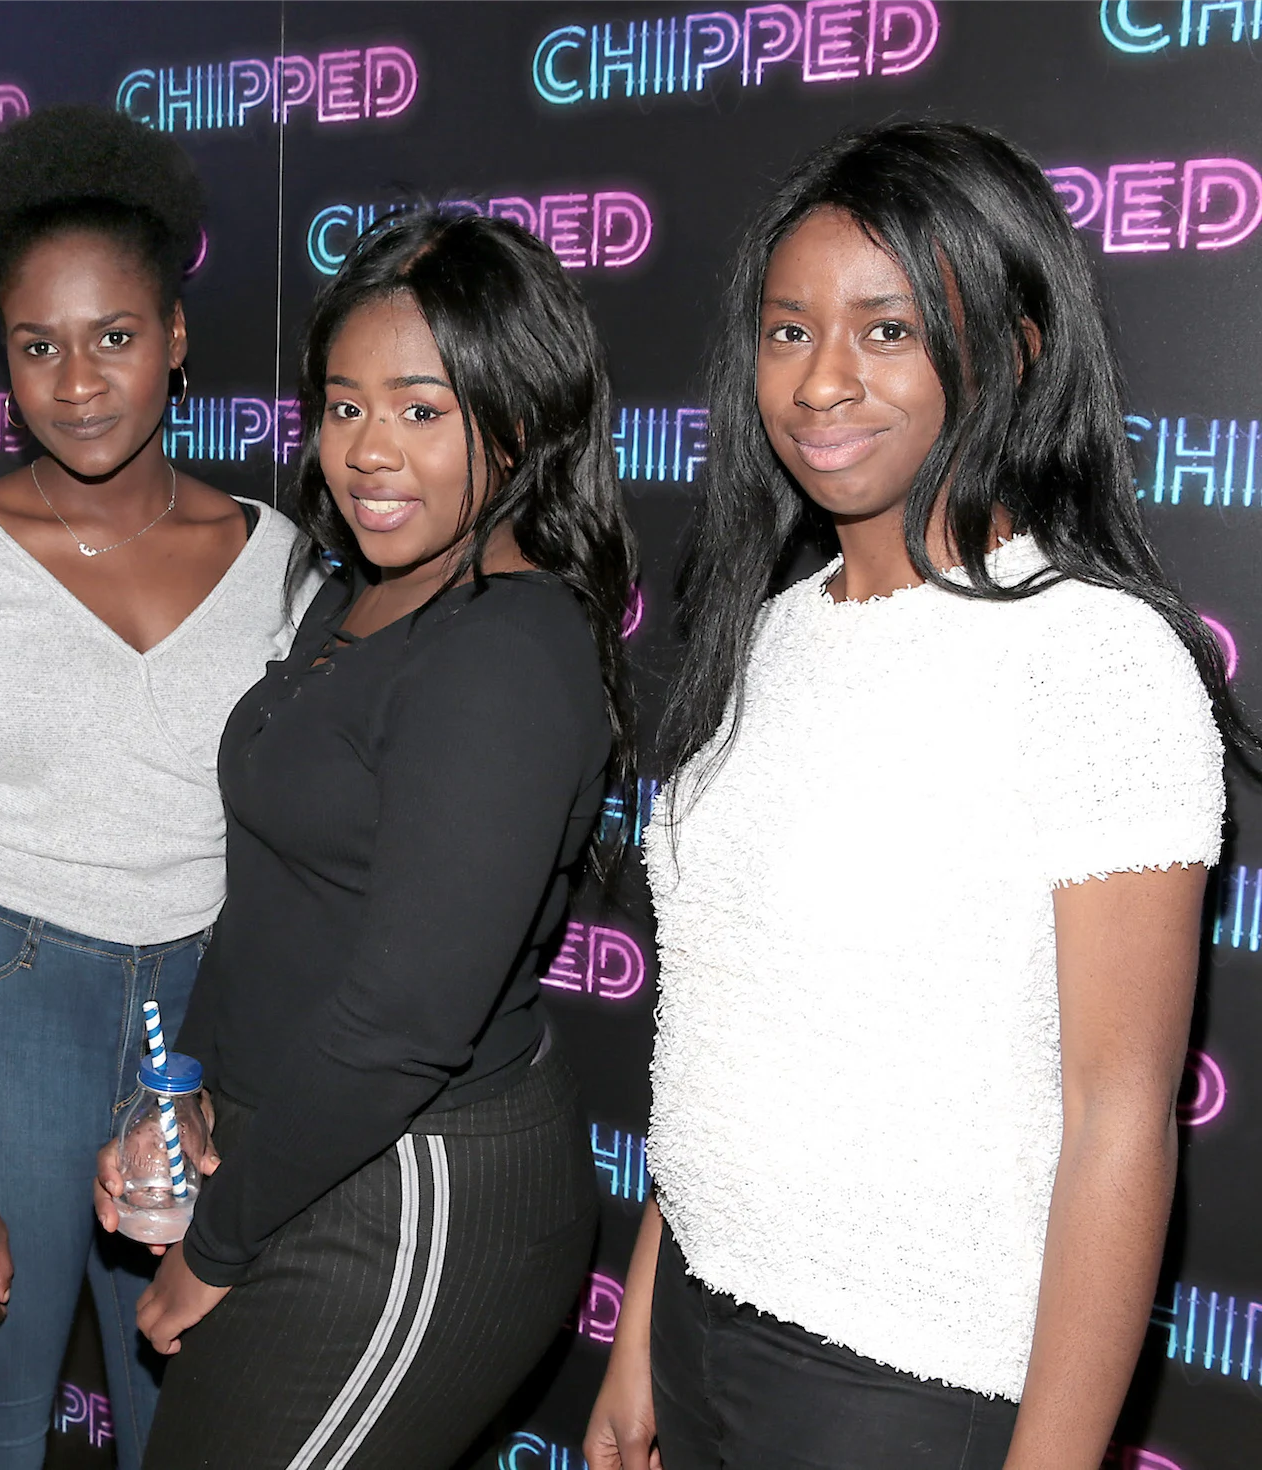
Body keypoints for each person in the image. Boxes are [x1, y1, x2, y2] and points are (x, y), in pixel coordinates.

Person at [584, 122, 1238, 1470]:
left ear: (1014, 348)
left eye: (887, 331)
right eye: (788, 331)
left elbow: (1120, 1116)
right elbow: (725, 1026)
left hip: (909, 1379)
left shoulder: (1092, 658)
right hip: (702, 1318)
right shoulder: (774, 631)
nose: (821, 380)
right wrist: (645, 1322)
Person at [94, 207, 637, 1470]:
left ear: (520, 419)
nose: (369, 452)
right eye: (344, 407)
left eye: (422, 410)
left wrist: (216, 1245)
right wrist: (190, 1101)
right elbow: (276, 901)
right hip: (300, 1150)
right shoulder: (356, 595)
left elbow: (405, 1020)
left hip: (413, 1189)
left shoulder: (503, 652)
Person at [0, 105, 314, 1470]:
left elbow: (300, 858)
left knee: (194, 1430)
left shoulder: (280, 561)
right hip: (4, 1011)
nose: (79, 381)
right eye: (38, 345)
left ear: (175, 336)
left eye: (114, 337)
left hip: (207, 1024)